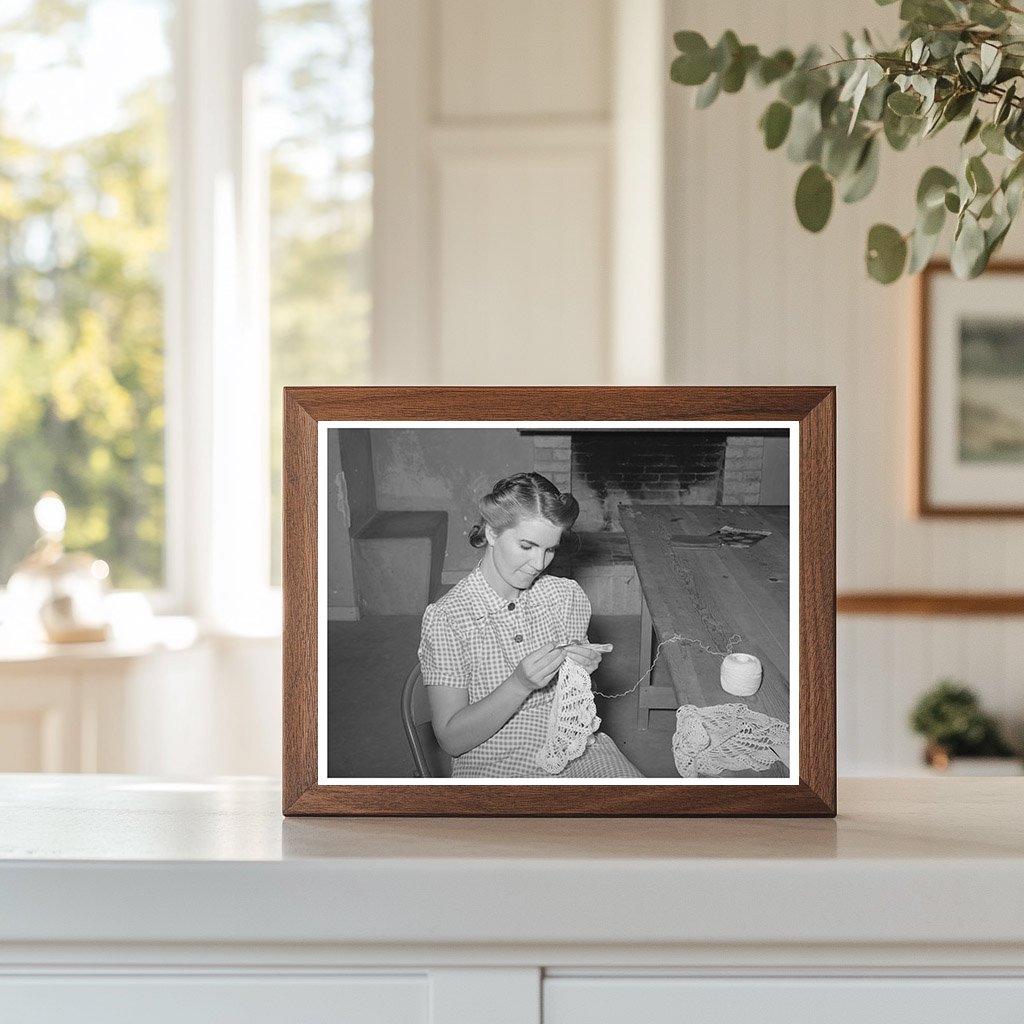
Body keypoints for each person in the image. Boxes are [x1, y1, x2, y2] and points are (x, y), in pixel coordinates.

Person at [417, 472, 644, 778]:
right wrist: (519, 684)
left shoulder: (565, 597)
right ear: (493, 533)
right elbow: (452, 741)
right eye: (527, 546)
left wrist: (580, 667)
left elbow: (573, 706)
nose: (539, 563)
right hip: (492, 762)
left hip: (574, 750)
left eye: (550, 549)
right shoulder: (447, 618)